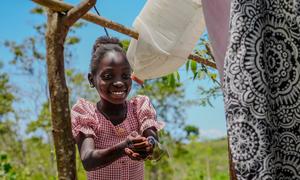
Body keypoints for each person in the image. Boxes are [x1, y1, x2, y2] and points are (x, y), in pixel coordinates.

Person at [71, 36, 163, 180]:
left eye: (125, 75)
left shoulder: (139, 107)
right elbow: (88, 160)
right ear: (91, 79)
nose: (119, 82)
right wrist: (123, 147)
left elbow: (153, 141)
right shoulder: (86, 113)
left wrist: (148, 145)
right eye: (108, 76)